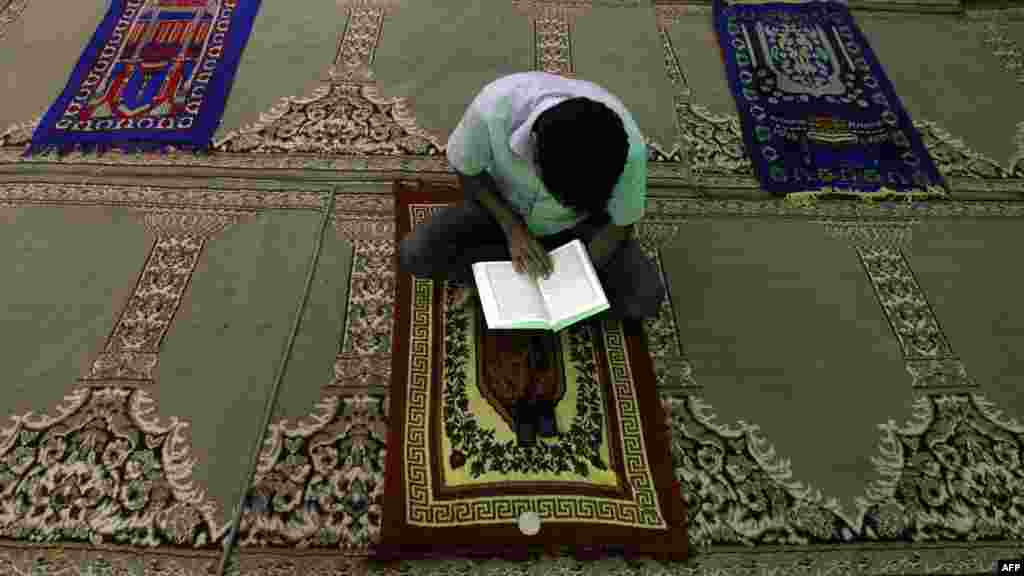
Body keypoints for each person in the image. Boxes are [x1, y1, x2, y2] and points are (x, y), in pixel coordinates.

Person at [398, 71, 665, 321]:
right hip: (501, 212)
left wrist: (577, 275)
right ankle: (508, 279)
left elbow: (620, 223)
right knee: (416, 253)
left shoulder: (627, 147)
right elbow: (467, 170)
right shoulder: (493, 107)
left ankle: (497, 282)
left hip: (579, 229)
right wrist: (513, 229)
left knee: (644, 299)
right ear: (534, 156)